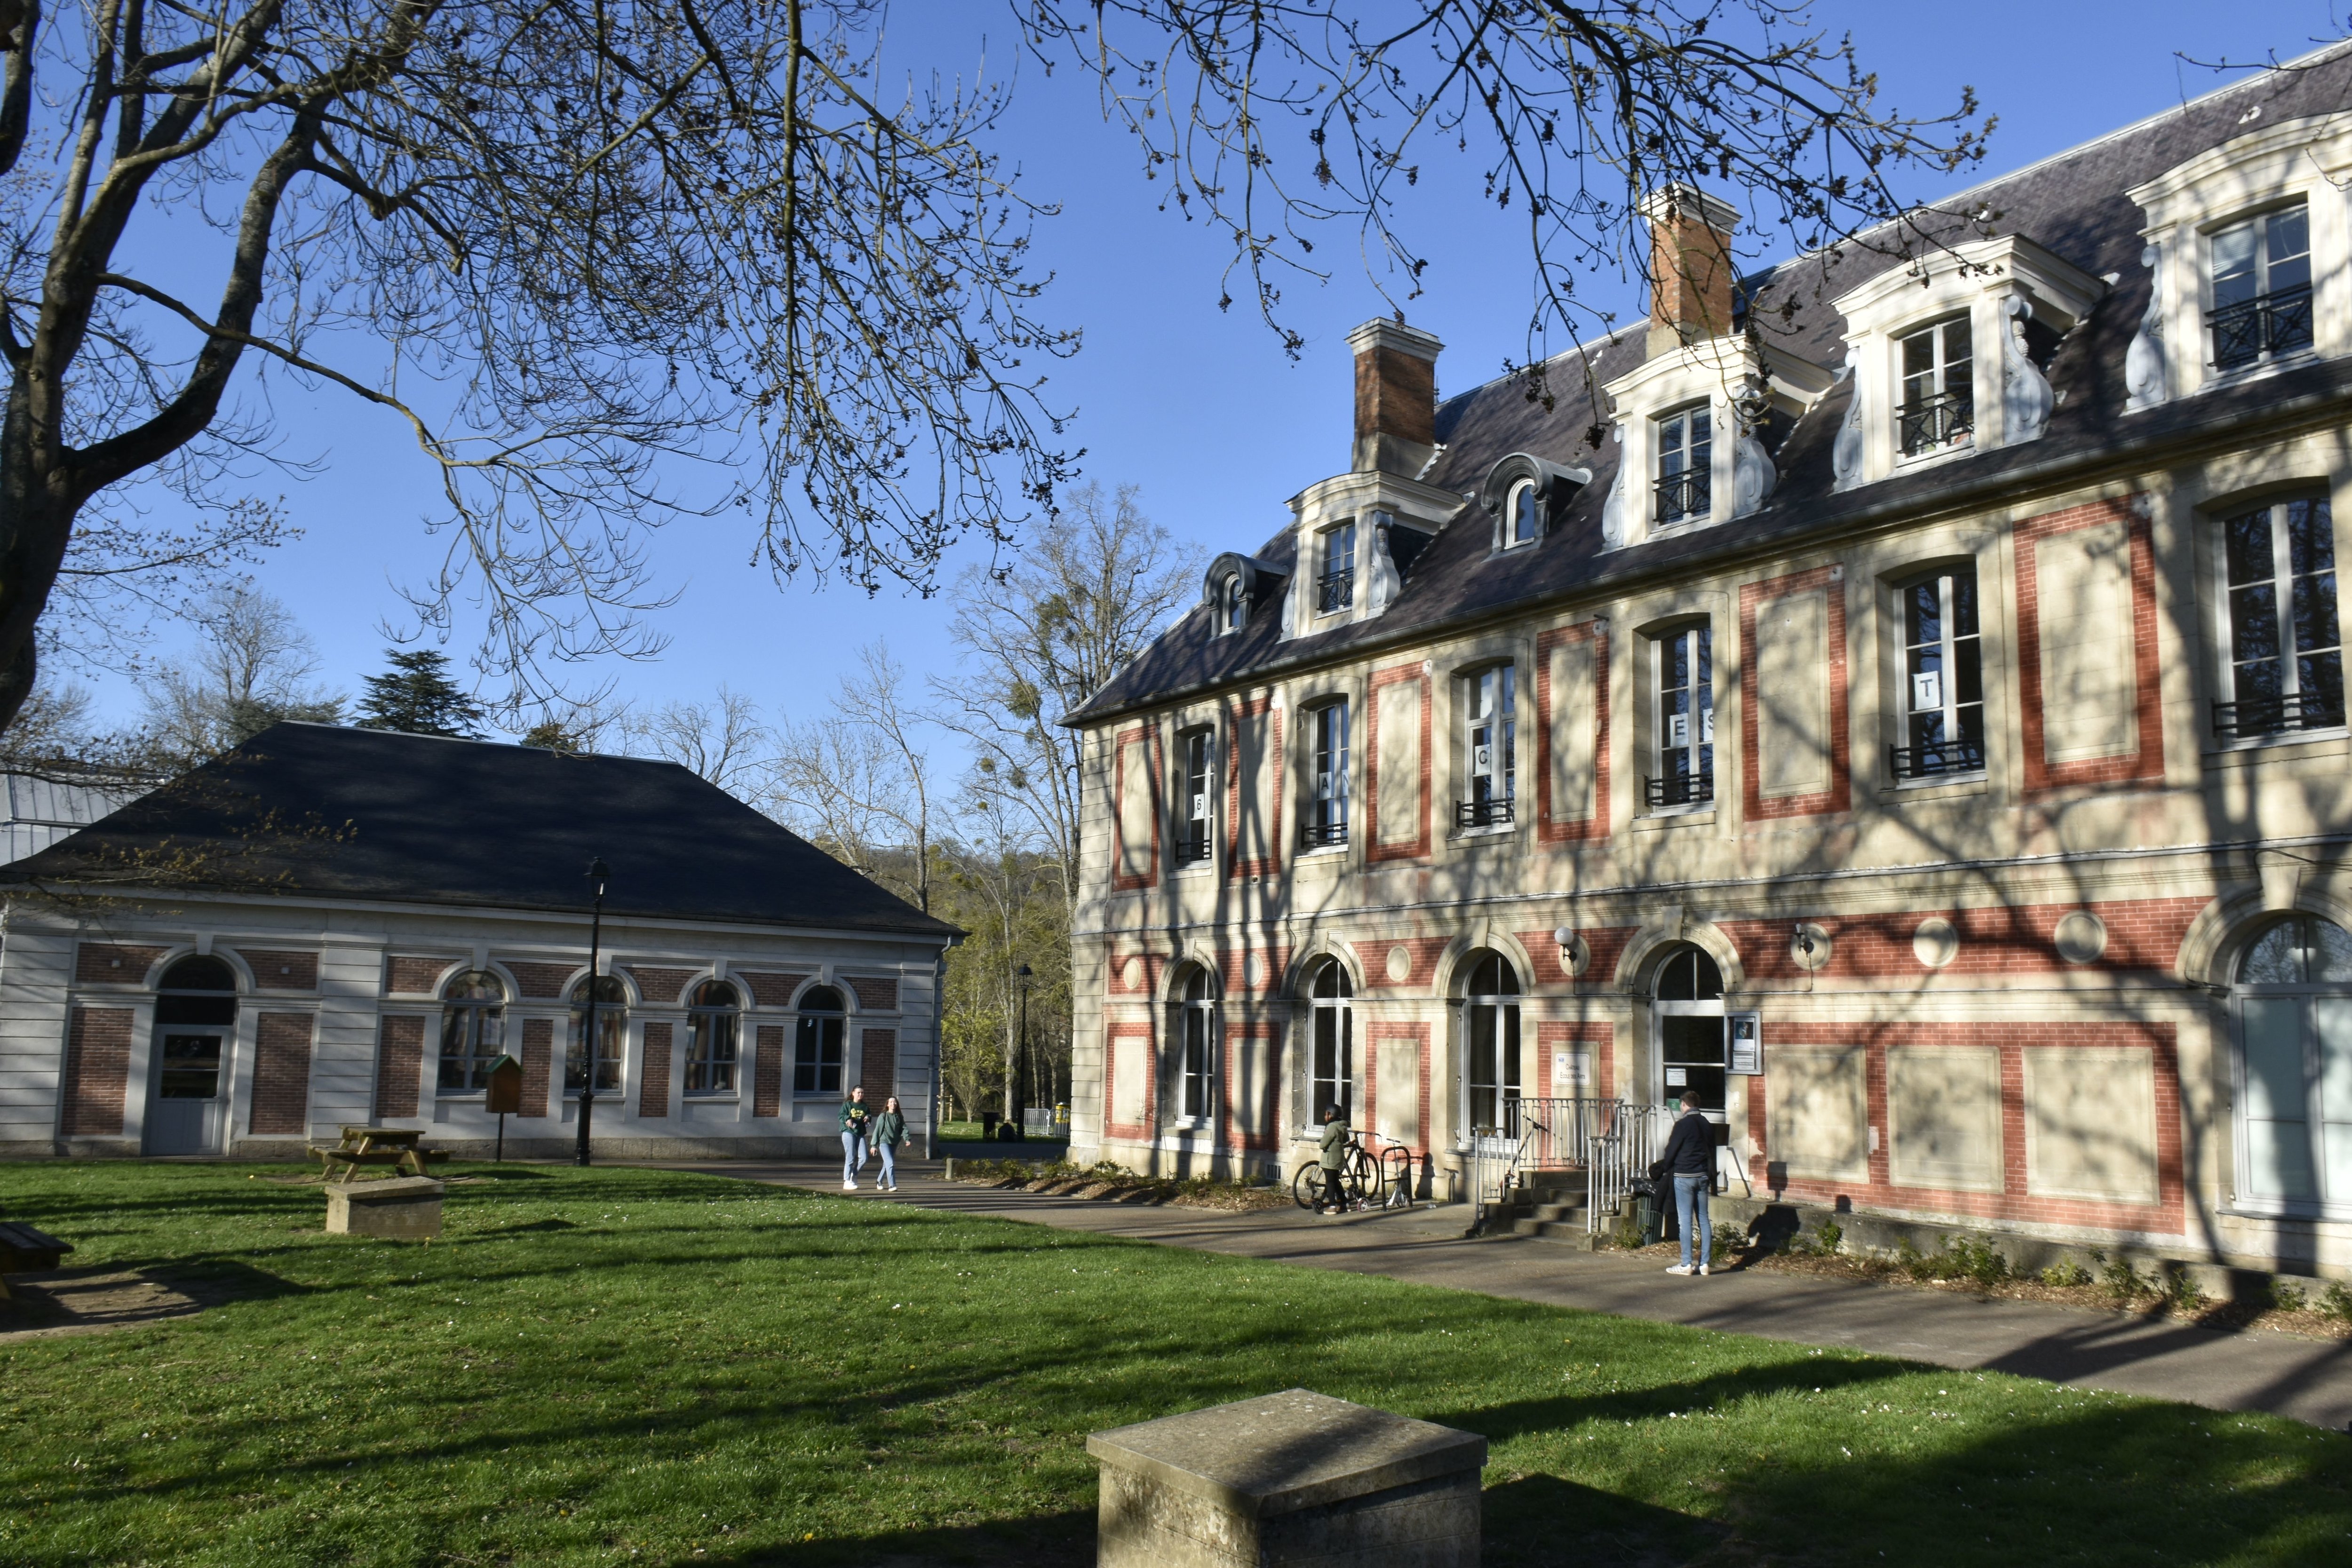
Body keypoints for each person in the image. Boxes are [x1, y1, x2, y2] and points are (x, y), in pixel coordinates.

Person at [1656, 1090, 1716, 1276]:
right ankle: (1705, 1263)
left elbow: (1671, 1150)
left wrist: (1664, 1167)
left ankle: (1686, 1264)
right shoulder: (1706, 1123)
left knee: (1685, 1221)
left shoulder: (1682, 1125)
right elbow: (1712, 1150)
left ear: (1684, 1104)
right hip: (1703, 1175)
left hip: (1684, 1175)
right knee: (1704, 1220)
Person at [1316, 1103, 1351, 1214]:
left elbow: (1323, 1144)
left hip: (1330, 1159)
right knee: (1336, 1182)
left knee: (1330, 1183)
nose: (1324, 1117)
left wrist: (1323, 1143)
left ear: (1330, 1115)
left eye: (1326, 1114)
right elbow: (1346, 1139)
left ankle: (1332, 1206)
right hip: (1339, 1157)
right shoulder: (1342, 1126)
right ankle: (1345, 1204)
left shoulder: (1331, 1127)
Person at [870, 1095, 908, 1193]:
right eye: (891, 1102)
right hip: (884, 1142)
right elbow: (877, 1130)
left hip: (894, 1142)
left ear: (897, 1105)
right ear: (888, 1105)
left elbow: (903, 1128)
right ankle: (892, 1185)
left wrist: (907, 1139)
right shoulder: (883, 1116)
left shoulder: (899, 1116)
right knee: (890, 1163)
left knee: (886, 1164)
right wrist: (874, 1146)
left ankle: (879, 1181)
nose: (893, 1104)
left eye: (895, 1102)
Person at [840, 1085, 872, 1191]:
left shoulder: (865, 1106)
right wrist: (847, 1119)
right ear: (853, 1093)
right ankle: (847, 1181)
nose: (860, 1095)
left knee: (864, 1158)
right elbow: (841, 1115)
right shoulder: (848, 1105)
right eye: (858, 1093)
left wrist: (868, 1118)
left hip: (860, 1133)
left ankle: (853, 1175)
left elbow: (869, 1115)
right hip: (849, 1132)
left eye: (862, 1093)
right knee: (851, 1156)